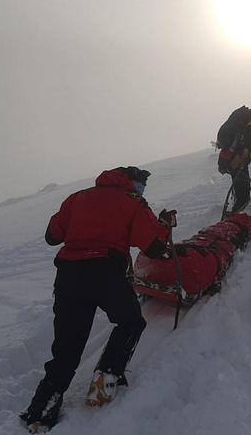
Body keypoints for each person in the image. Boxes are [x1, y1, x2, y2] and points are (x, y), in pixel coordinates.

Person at [20, 166, 176, 432]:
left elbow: (52, 236)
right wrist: (164, 226)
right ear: (133, 183)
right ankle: (105, 380)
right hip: (105, 271)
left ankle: (41, 411)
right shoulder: (133, 202)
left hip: (68, 276)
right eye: (141, 185)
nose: (142, 190)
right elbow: (153, 247)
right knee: (130, 322)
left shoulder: (78, 196)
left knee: (68, 346)